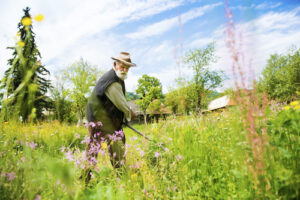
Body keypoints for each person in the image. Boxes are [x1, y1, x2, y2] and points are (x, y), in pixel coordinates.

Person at [84, 52, 137, 181]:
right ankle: (85, 180)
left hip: (109, 121)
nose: (124, 70)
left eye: (127, 68)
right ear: (115, 64)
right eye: (122, 66)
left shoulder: (118, 78)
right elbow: (122, 103)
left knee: (117, 144)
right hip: (98, 121)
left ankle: (120, 176)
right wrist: (130, 113)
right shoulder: (112, 81)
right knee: (93, 150)